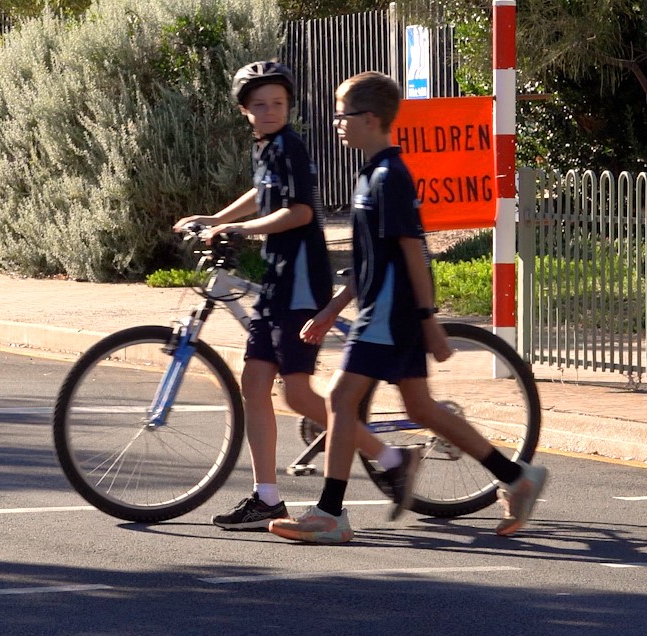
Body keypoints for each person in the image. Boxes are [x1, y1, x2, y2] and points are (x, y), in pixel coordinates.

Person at [269, 71, 546, 545]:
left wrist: (426, 319)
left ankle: (330, 513)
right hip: (380, 311)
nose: (338, 122)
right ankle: (516, 476)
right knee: (420, 407)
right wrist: (335, 308)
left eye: (344, 114)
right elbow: (371, 261)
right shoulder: (370, 174)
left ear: (370, 119)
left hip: (389, 317)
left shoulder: (389, 177)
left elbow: (414, 250)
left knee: (339, 399)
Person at [177, 61, 424, 530]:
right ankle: (267, 498)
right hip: (277, 277)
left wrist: (239, 229)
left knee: (296, 392)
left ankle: (392, 459)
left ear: (288, 107)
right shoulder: (266, 147)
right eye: (260, 105)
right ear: (245, 111)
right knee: (254, 384)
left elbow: (299, 211)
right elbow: (260, 194)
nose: (270, 111)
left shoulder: (290, 146)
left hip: (302, 283)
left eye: (279, 104)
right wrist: (214, 219)